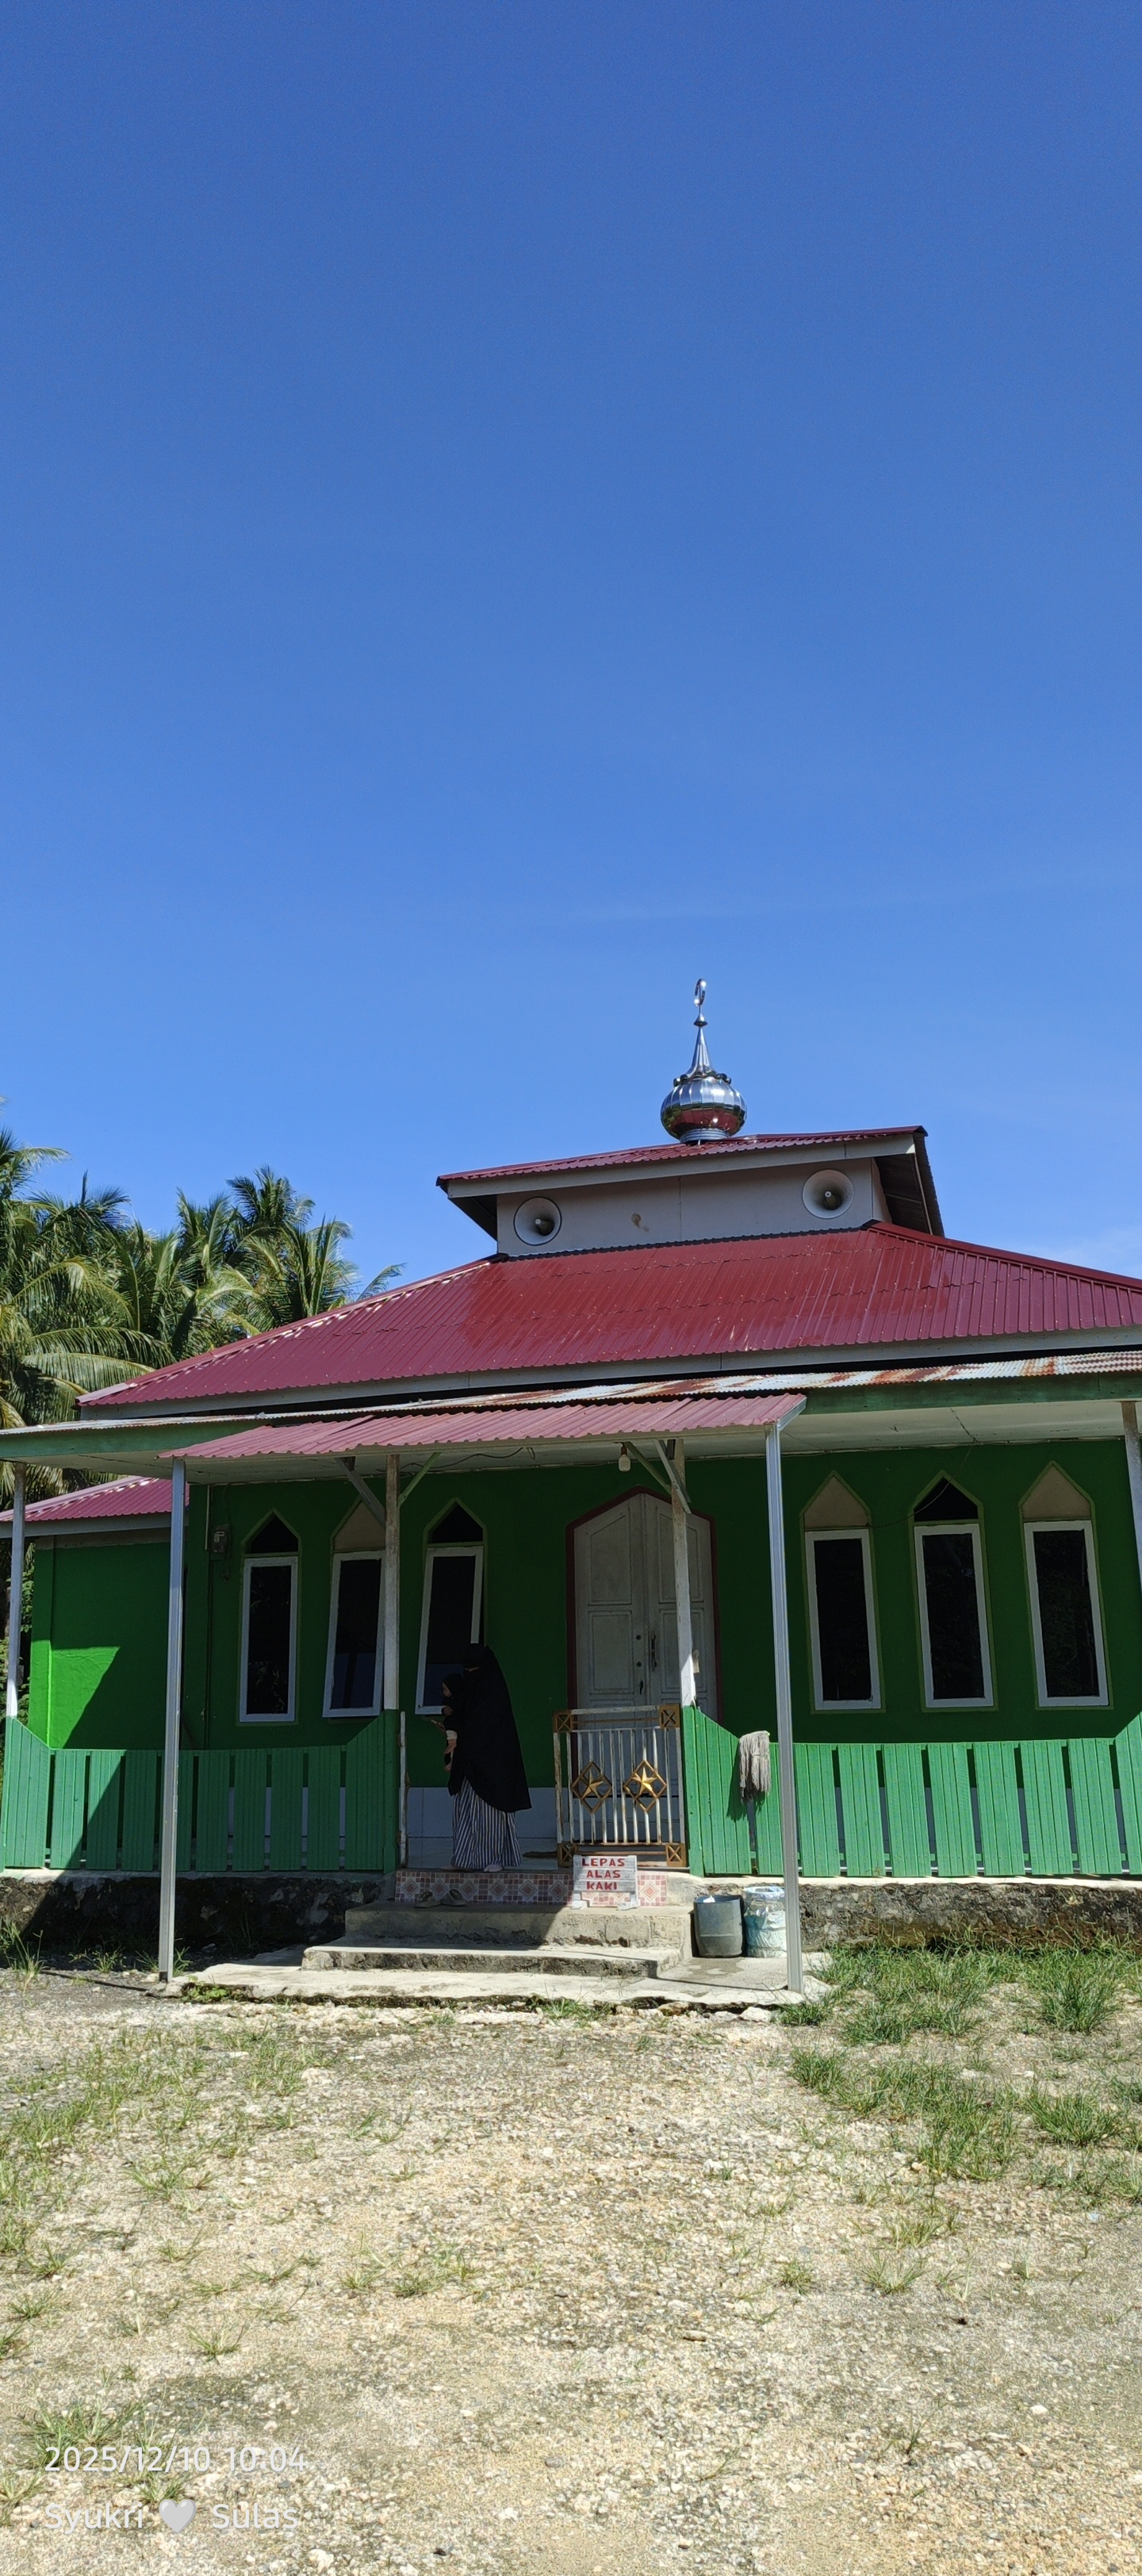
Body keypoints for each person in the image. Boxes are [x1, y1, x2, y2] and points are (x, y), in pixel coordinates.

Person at [439, 1645, 531, 1870]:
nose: (470, 1674)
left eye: (474, 1670)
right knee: (465, 1811)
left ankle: (495, 1859)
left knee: (492, 1814)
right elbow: (463, 1714)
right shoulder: (473, 1690)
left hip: (493, 1765)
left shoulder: (493, 1694)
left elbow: (486, 1727)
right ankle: (464, 1859)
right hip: (470, 1764)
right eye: (467, 1670)